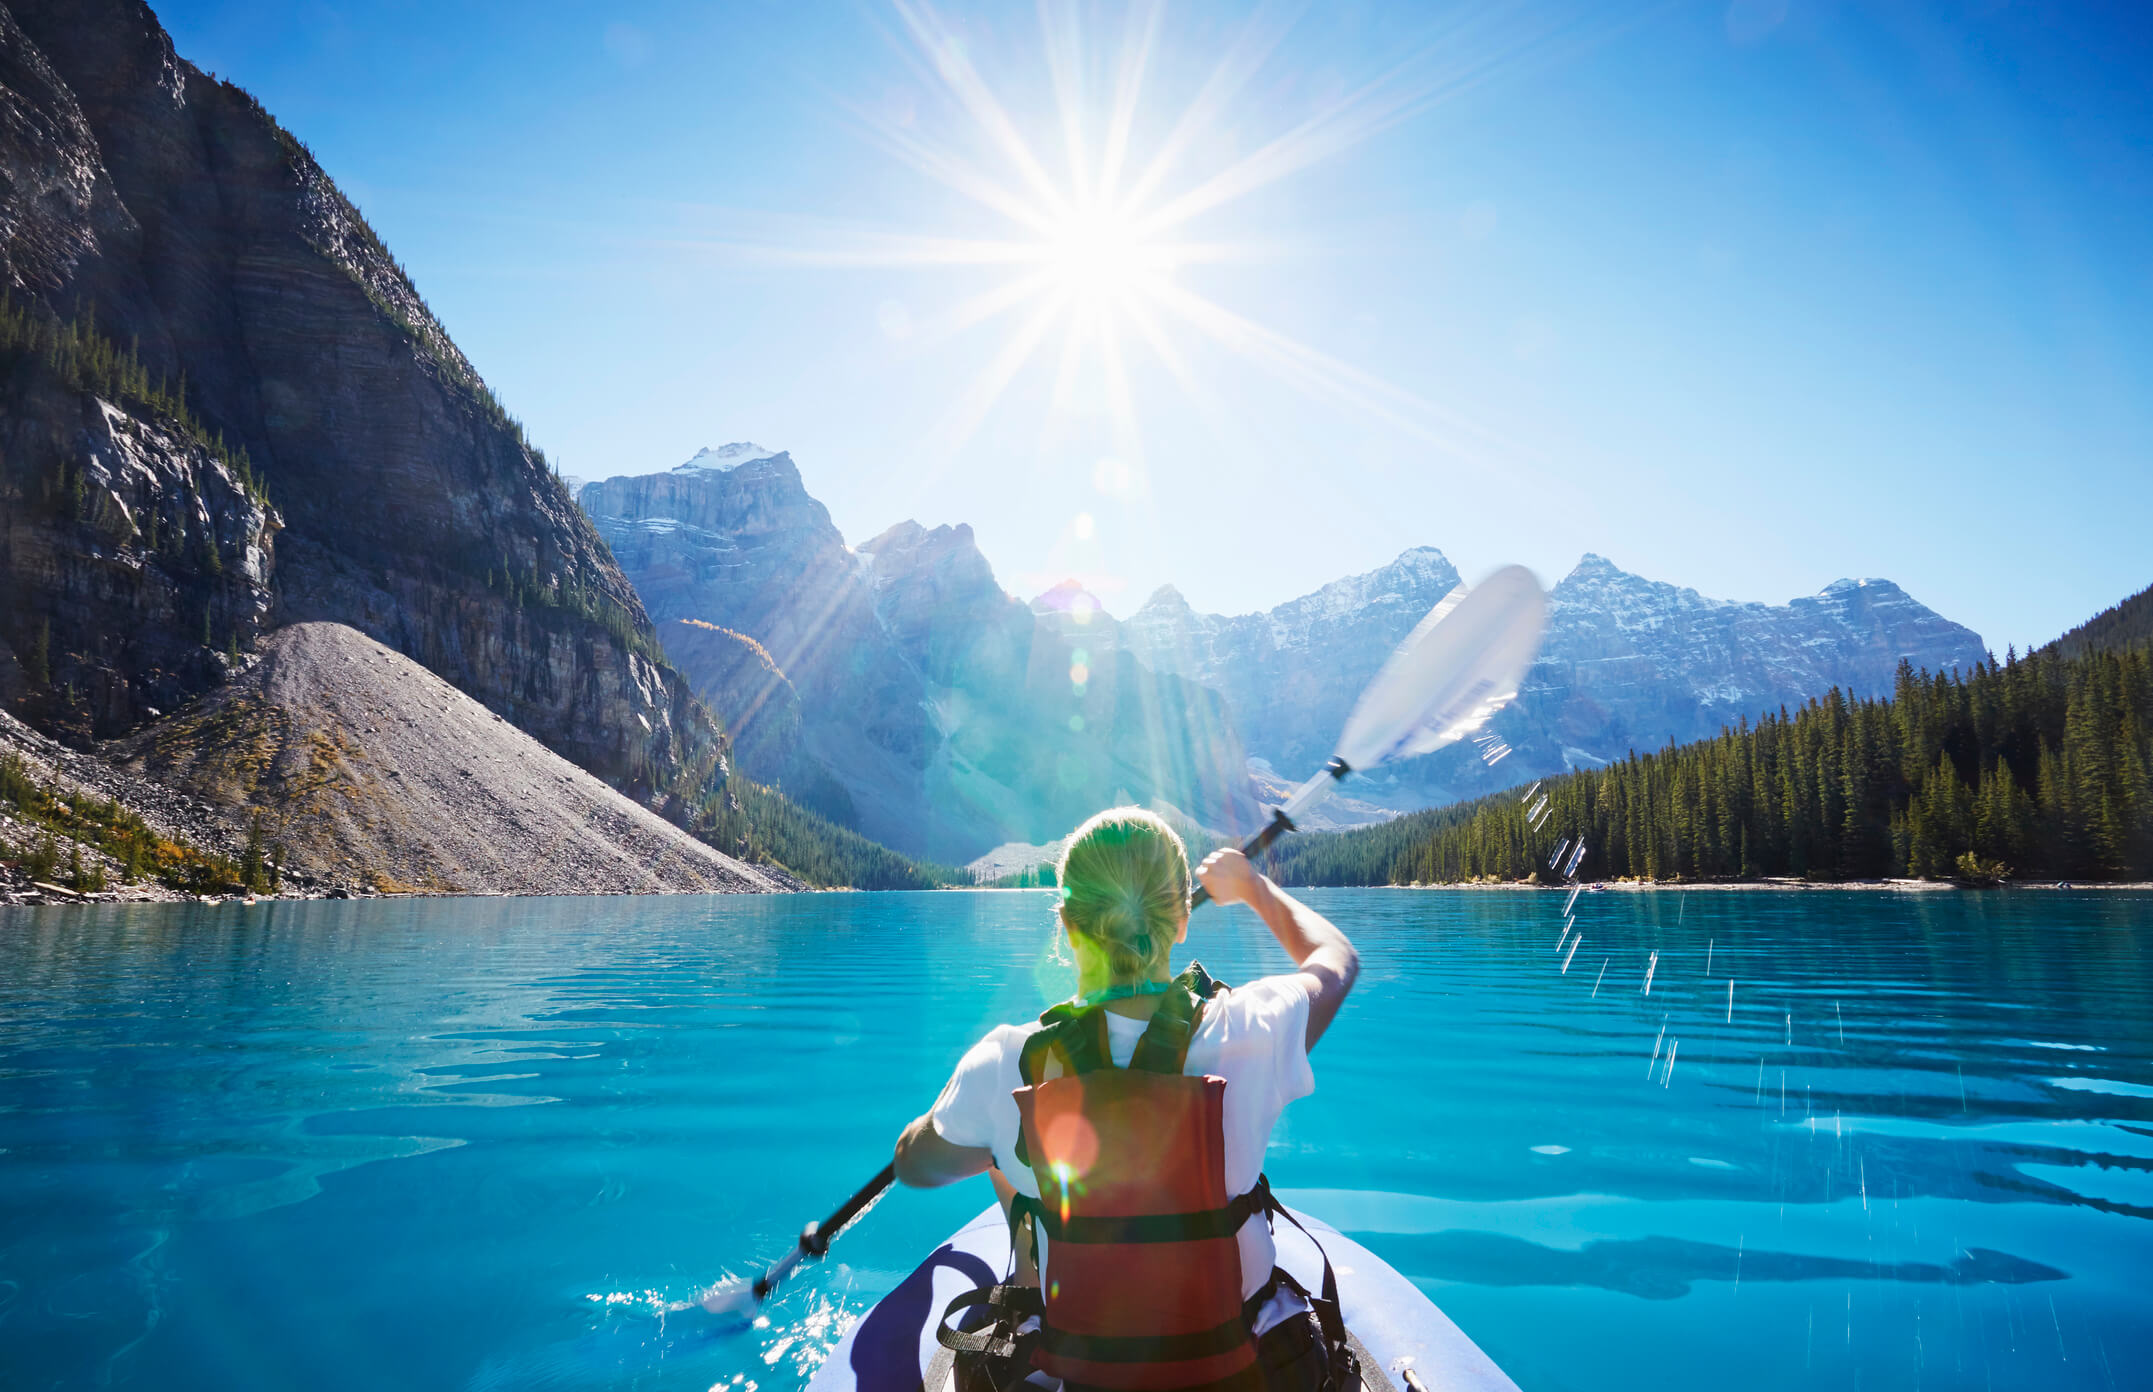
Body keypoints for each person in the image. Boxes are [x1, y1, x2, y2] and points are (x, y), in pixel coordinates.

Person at [892, 807, 1360, 1391]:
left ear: (1065, 924)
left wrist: (966, 1120)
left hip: (1083, 1375)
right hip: (1247, 1368)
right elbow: (1337, 961)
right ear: (1182, 919)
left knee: (1004, 1164)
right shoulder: (1250, 1029)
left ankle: (1032, 1267)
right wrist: (1254, 889)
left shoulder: (1008, 1062)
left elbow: (915, 1165)